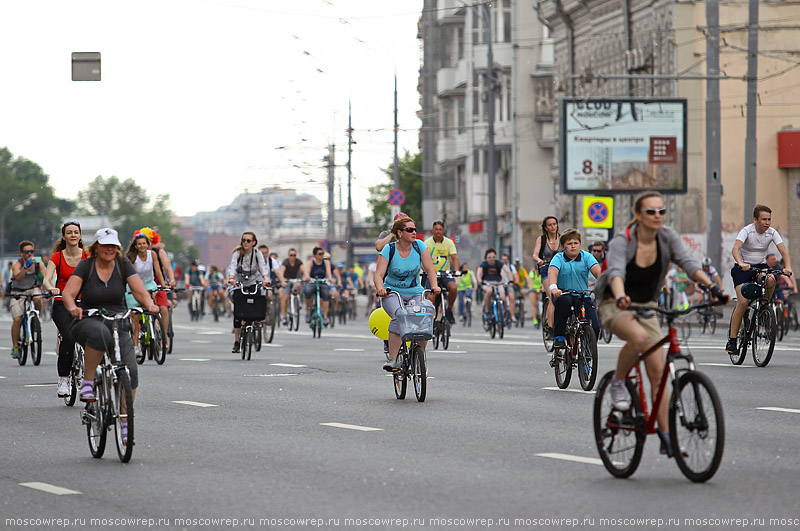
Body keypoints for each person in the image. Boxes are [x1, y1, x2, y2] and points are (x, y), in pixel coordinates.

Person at [593, 192, 724, 457]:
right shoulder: (624, 241)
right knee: (638, 338)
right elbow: (616, 272)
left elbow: (688, 264)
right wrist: (619, 296)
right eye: (651, 212)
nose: (657, 216)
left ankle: (667, 435)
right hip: (614, 303)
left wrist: (712, 287)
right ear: (638, 215)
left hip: (647, 307)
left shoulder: (667, 237)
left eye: (661, 211)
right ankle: (619, 381)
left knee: (658, 376)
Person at [62, 228, 159, 446]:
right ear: (96, 247)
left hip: (118, 321)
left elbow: (139, 290)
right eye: (105, 245)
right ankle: (88, 382)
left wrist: (150, 304)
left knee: (131, 371)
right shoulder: (86, 266)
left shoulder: (123, 264)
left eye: (113, 246)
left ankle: (125, 423)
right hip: (88, 319)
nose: (109, 249)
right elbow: (69, 293)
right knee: (99, 333)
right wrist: (72, 308)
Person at [374, 216, 440, 372]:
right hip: (392, 293)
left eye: (415, 229)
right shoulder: (389, 249)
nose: (414, 232)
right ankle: (393, 359)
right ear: (400, 232)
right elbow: (378, 274)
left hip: (415, 292)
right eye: (410, 230)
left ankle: (419, 355)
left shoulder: (419, 247)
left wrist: (435, 286)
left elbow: (430, 269)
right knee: (399, 314)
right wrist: (380, 288)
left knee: (423, 314)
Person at [726, 204, 793, 356]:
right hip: (742, 268)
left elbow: (784, 251)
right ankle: (732, 340)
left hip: (759, 267)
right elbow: (735, 249)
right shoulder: (747, 231)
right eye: (764, 219)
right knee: (742, 302)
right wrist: (741, 263)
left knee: (770, 279)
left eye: (769, 219)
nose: (767, 222)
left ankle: (763, 308)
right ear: (755, 219)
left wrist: (787, 267)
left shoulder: (771, 232)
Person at [42, 222, 88, 397]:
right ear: (64, 236)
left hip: (84, 302)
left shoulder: (87, 256)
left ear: (80, 235)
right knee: (68, 337)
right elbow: (47, 279)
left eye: (76, 232)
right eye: (69, 232)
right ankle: (63, 379)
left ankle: (92, 380)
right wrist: (51, 288)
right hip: (62, 301)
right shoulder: (57, 257)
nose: (73, 235)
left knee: (92, 337)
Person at [547, 229, 601, 351]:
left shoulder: (587, 257)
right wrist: (554, 288)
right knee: (563, 302)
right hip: (563, 293)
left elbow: (598, 272)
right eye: (569, 244)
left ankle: (588, 351)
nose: (573, 246)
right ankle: (560, 336)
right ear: (563, 246)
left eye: (575, 243)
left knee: (595, 326)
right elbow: (552, 273)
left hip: (582, 295)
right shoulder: (558, 258)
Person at [226, 231, 271, 353]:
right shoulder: (237, 253)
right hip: (239, 281)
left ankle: (255, 323)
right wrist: (231, 278)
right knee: (238, 311)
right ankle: (237, 341)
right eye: (244, 240)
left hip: (253, 281)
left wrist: (265, 279)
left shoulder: (257, 253)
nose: (245, 243)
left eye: (248, 241)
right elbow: (233, 266)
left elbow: (262, 267)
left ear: (254, 243)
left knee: (257, 299)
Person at [124, 232, 165, 352]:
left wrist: (162, 284)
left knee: (153, 305)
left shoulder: (152, 254)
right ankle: (136, 345)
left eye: (144, 243)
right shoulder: (132, 257)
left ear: (148, 245)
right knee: (135, 316)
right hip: (134, 285)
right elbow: (128, 274)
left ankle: (153, 324)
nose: (142, 246)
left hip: (149, 283)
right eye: (139, 244)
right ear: (135, 246)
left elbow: (157, 271)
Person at [9, 240, 46, 359]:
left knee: (38, 297)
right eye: (26, 252)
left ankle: (36, 319)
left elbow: (46, 276)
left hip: (32, 288)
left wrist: (50, 288)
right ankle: (15, 346)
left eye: (32, 251)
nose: (30, 254)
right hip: (18, 291)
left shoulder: (38, 263)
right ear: (21, 253)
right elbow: (18, 277)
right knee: (17, 318)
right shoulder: (17, 264)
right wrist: (25, 268)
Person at [423, 220, 459, 324]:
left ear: (443, 231)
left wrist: (455, 271)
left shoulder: (449, 242)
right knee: (431, 294)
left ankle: (449, 309)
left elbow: (454, 258)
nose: (438, 232)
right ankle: (431, 316)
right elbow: (423, 258)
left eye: (440, 229)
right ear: (433, 231)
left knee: (453, 288)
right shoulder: (427, 243)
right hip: (432, 274)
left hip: (445, 273)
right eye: (436, 229)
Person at [532, 216, 562, 333]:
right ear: (545, 227)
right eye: (550, 225)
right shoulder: (542, 239)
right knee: (552, 297)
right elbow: (534, 254)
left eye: (554, 224)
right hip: (546, 269)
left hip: (561, 270)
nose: (552, 227)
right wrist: (539, 260)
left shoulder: (562, 238)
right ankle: (550, 328)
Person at [475, 248, 515, 321]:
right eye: (489, 257)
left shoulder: (499, 263)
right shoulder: (484, 264)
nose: (492, 259)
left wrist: (511, 280)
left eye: (493, 257)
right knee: (489, 291)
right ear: (486, 258)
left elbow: (508, 271)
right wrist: (480, 281)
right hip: (487, 282)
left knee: (503, 298)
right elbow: (479, 273)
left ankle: (504, 311)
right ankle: (487, 312)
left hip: (498, 283)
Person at [302, 247, 334, 325]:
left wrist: (329, 278)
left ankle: (325, 316)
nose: (322, 255)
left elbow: (328, 272)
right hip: (313, 281)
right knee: (308, 292)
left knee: (326, 295)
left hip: (322, 281)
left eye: (323, 254)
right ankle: (308, 311)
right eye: (320, 254)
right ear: (315, 255)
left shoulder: (326, 262)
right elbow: (307, 272)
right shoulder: (311, 262)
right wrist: (307, 277)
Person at [279, 248, 303, 325]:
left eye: (294, 255)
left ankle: (298, 300)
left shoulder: (298, 262)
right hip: (287, 281)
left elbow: (304, 270)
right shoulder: (285, 262)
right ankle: (284, 315)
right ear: (288, 256)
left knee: (298, 285)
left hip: (295, 280)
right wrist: (282, 280)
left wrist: (306, 276)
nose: (293, 257)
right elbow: (282, 271)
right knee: (285, 298)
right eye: (291, 255)